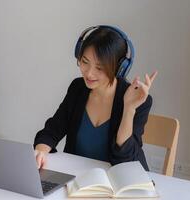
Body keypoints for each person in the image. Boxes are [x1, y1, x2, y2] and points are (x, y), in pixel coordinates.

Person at [33, 25, 157, 171]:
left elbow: (126, 160)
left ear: (119, 68)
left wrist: (129, 109)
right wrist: (40, 151)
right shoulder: (78, 88)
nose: (89, 74)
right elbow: (52, 130)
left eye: (99, 68)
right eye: (85, 62)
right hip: (77, 179)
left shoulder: (139, 100)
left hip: (116, 184)